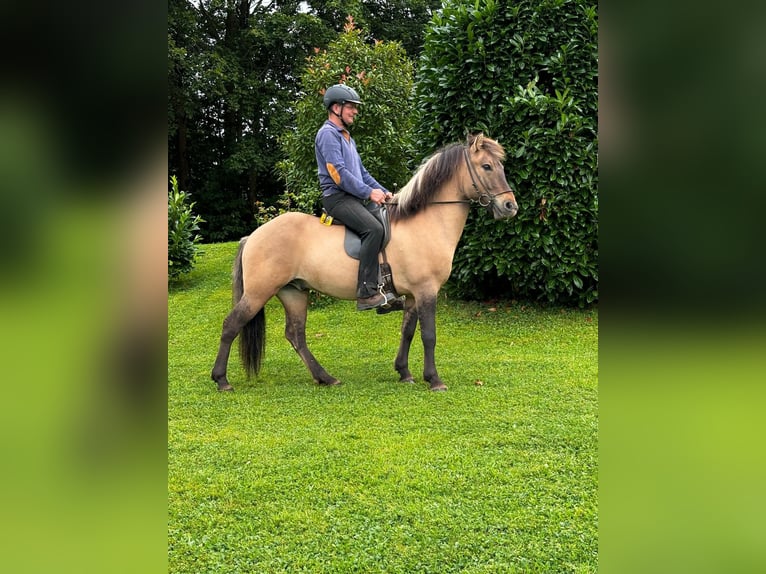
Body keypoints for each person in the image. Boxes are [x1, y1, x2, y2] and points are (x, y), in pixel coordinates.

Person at [315, 84, 393, 311]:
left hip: (353, 197)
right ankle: (366, 293)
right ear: (336, 108)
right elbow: (338, 174)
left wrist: (384, 191)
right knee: (374, 229)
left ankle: (386, 286)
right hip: (337, 198)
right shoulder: (328, 134)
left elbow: (362, 174)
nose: (355, 111)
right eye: (351, 107)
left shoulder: (347, 137)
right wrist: (369, 193)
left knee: (386, 221)